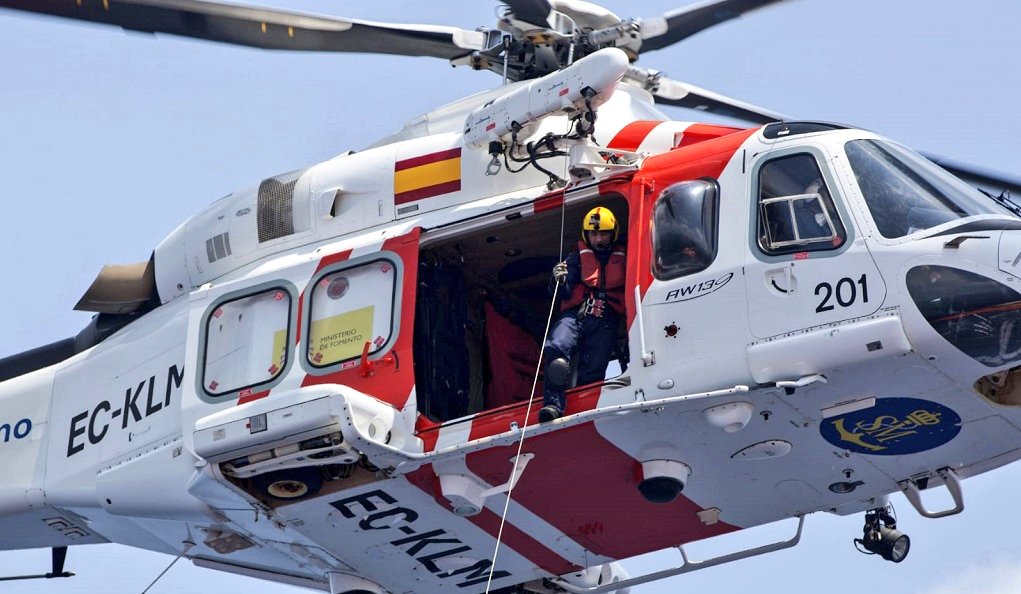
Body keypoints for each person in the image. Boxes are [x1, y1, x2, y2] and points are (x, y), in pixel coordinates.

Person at [539, 206, 626, 422]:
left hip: (605, 320)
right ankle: (552, 405)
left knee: (594, 369)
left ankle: (585, 412)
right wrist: (557, 278)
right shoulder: (576, 258)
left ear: (612, 233)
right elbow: (562, 291)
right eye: (594, 234)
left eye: (603, 233)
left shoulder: (626, 256)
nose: (598, 239)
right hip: (576, 315)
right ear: (587, 235)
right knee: (557, 349)